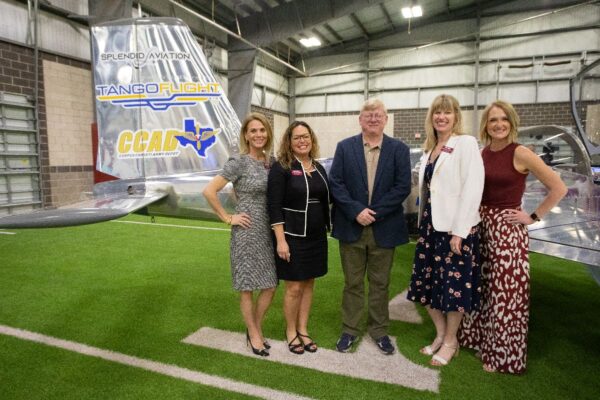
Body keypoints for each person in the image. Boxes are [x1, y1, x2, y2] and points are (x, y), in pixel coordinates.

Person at [459, 100, 567, 374]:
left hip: (508, 233)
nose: (498, 124)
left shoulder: (521, 153)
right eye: (493, 119)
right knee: (481, 289)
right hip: (481, 227)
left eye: (504, 119)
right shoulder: (481, 154)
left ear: (512, 122)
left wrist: (532, 217)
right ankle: (480, 341)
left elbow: (558, 187)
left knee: (505, 296)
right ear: (486, 124)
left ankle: (503, 356)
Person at [406, 94, 485, 366]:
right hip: (430, 227)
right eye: (437, 113)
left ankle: (451, 341)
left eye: (447, 112)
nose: (441, 117)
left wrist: (460, 231)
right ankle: (441, 334)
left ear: (455, 116)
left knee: (454, 288)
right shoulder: (430, 148)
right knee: (423, 284)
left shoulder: (465, 143)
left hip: (455, 228)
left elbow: (474, 187)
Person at [329, 98, 411, 355]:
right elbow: (336, 183)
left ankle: (379, 330)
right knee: (352, 283)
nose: (373, 119)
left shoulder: (398, 149)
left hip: (383, 227)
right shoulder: (345, 147)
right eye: (368, 115)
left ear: (386, 119)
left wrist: (373, 213)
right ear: (360, 119)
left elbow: (402, 187)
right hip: (352, 226)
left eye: (378, 115)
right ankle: (350, 330)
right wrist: (356, 211)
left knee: (380, 283)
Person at [202, 112, 278, 357]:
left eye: (262, 130)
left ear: (268, 134)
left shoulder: (272, 162)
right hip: (245, 232)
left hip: (267, 231)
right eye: (253, 131)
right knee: (247, 287)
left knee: (270, 285)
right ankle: (255, 335)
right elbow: (209, 191)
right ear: (246, 135)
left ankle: (254, 328)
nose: (258, 135)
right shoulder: (238, 162)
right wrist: (227, 217)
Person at [267, 121, 330, 355]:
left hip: (316, 236)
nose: (302, 141)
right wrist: (280, 240)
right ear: (289, 141)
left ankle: (303, 329)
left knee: (309, 284)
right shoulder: (281, 167)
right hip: (292, 237)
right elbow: (274, 206)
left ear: (312, 139)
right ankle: (291, 331)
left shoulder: (319, 168)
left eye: (306, 137)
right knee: (293, 287)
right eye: (297, 138)